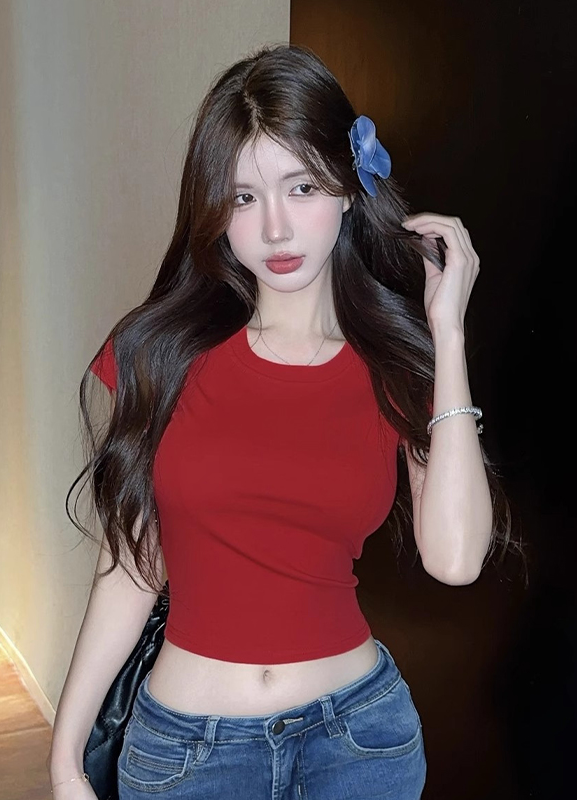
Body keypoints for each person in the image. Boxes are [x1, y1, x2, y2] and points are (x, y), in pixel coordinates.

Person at [48, 44, 515, 799]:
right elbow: (131, 563)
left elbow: (456, 559)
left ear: (349, 188)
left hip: (360, 742)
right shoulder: (157, 354)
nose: (274, 228)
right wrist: (66, 756)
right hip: (188, 756)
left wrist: (447, 333)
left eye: (301, 187)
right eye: (242, 197)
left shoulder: (394, 365)